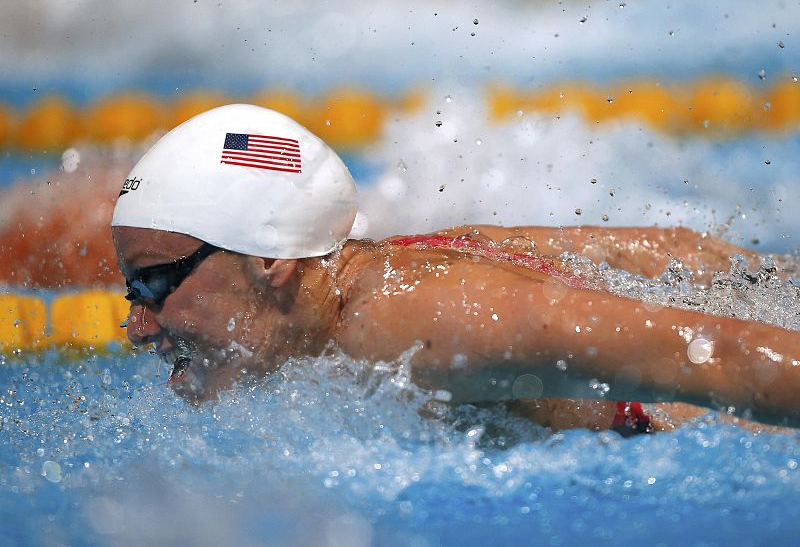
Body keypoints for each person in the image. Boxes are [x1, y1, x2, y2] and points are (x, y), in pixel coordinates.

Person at [112, 104, 800, 434]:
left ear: (269, 259)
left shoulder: (415, 321)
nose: (137, 325)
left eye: (154, 283)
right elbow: (658, 250)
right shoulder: (395, 264)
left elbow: (719, 351)